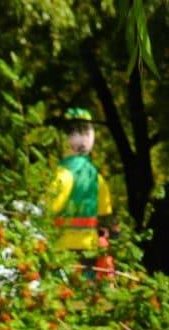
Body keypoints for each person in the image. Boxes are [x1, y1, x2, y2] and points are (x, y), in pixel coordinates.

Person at [48, 108, 112, 266]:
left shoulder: (62, 174)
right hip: (89, 249)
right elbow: (105, 213)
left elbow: (47, 209)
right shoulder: (96, 177)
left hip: (61, 250)